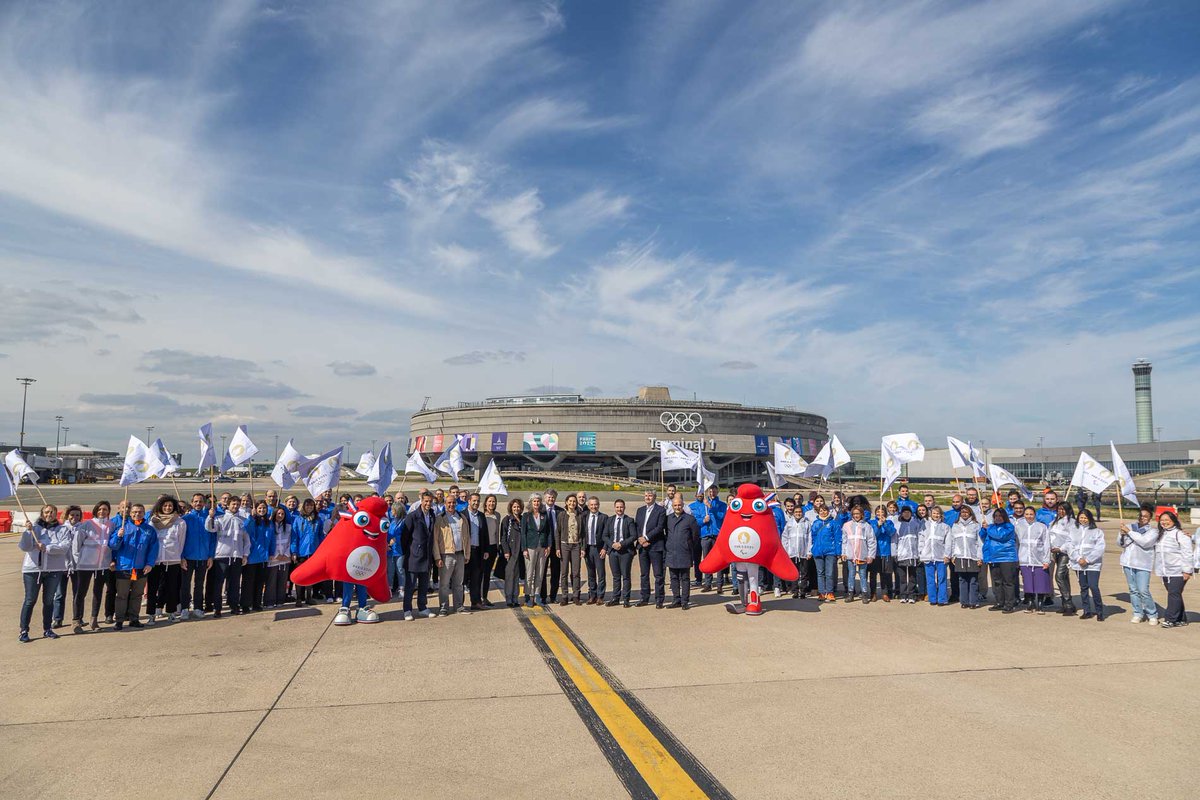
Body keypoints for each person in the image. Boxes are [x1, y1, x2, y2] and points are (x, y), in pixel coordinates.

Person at [18, 506, 73, 643]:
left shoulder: (62, 529)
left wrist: (47, 548)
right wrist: (27, 531)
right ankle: (24, 630)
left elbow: (64, 547)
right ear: (42, 514)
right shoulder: (35, 528)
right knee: (30, 600)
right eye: (47, 512)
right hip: (33, 570)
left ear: (56, 514)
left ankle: (47, 628)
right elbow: (24, 547)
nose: (49, 514)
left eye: (52, 512)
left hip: (53, 570)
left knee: (49, 601)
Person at [109, 503, 159, 630]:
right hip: (124, 567)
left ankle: (134, 618)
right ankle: (119, 620)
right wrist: (118, 537)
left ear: (144, 513)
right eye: (134, 512)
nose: (137, 514)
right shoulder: (122, 527)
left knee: (137, 595)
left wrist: (150, 563)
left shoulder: (149, 530)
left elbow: (153, 549)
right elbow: (113, 546)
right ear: (130, 513)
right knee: (122, 595)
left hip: (141, 567)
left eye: (140, 512)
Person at [71, 501, 116, 632]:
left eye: (105, 509)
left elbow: (112, 544)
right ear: (96, 510)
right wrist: (77, 561)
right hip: (85, 564)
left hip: (102, 565)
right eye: (100, 509)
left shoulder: (111, 525)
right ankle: (76, 620)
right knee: (81, 593)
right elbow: (76, 545)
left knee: (98, 592)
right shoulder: (86, 525)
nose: (102, 512)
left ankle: (94, 619)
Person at [204, 496, 249, 618]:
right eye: (233, 504)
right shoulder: (220, 518)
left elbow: (246, 539)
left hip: (237, 556)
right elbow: (210, 528)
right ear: (228, 505)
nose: (235, 506)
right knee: (218, 583)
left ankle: (234, 606)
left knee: (234, 583)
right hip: (222, 556)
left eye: (237, 504)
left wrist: (245, 554)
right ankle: (217, 608)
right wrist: (211, 517)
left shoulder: (243, 520)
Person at [146, 496, 187, 624]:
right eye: (165, 506)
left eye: (170, 505)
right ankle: (151, 614)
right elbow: (150, 541)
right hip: (156, 560)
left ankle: (171, 612)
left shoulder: (180, 522)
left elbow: (181, 542)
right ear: (160, 507)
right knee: (153, 588)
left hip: (172, 559)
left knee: (172, 587)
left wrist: (179, 557)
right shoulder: (153, 521)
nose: (167, 508)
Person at [1119, 506, 1159, 625]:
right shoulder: (1130, 526)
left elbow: (1145, 542)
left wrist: (1129, 532)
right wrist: (1122, 535)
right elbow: (1121, 544)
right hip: (1128, 562)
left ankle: (1152, 614)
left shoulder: (1153, 531)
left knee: (1143, 590)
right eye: (1141, 516)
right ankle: (1137, 613)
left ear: (1150, 518)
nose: (1143, 518)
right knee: (1133, 590)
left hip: (1143, 564)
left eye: (1146, 516)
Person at [1153, 511, 1192, 628]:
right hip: (1165, 571)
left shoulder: (1179, 534)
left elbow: (1187, 553)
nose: (1164, 522)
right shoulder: (1161, 534)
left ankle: (1170, 618)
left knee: (1173, 594)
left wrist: (1187, 570)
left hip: (1178, 571)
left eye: (1167, 520)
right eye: (1162, 520)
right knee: (1175, 594)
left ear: (1173, 520)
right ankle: (1181, 618)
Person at [402, 491, 437, 619]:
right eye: (426, 501)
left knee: (424, 585)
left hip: (427, 556)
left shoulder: (432, 515)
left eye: (430, 501)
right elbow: (404, 537)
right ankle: (407, 610)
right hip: (413, 557)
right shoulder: (412, 516)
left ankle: (422, 607)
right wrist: (411, 551)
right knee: (410, 586)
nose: (428, 503)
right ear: (421, 501)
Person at [433, 496, 471, 615]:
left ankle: (458, 606)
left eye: (453, 502)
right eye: (449, 503)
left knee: (459, 583)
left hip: (460, 554)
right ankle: (444, 607)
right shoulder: (440, 519)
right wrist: (437, 557)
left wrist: (467, 553)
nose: (451, 505)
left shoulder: (462, 518)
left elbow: (467, 537)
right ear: (445, 503)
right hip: (446, 555)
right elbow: (435, 539)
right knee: (444, 584)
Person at [290, 499, 328, 605]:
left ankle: (308, 597)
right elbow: (294, 537)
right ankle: (298, 598)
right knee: (300, 575)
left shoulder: (318, 520)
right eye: (307, 505)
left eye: (311, 506)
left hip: (313, 551)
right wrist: (294, 551)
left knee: (310, 576)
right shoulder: (298, 520)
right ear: (304, 507)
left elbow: (320, 536)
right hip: (301, 552)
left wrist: (321, 549)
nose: (309, 507)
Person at [180, 493, 212, 619]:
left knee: (199, 584)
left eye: (200, 501)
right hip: (188, 557)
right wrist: (182, 556)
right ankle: (184, 608)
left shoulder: (209, 518)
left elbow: (213, 538)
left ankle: (198, 607)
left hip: (203, 557)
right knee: (185, 584)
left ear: (204, 503)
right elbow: (181, 540)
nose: (198, 504)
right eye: (196, 501)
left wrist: (210, 556)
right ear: (192, 503)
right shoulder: (186, 519)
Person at [1070, 509, 1106, 621]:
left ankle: (1099, 611)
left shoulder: (1097, 531)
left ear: (1090, 518)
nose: (1083, 519)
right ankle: (1087, 611)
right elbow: (1069, 545)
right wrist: (1078, 558)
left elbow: (1100, 548)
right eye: (1081, 517)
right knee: (1083, 587)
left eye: (1085, 517)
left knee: (1093, 586)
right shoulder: (1073, 530)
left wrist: (1088, 560)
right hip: (1079, 564)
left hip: (1093, 565)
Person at [665, 496, 700, 609]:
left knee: (685, 578)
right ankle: (676, 600)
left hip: (684, 552)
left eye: (679, 505)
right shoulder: (668, 518)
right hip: (671, 552)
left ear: (683, 505)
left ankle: (685, 601)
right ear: (672, 506)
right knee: (673, 578)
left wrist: (687, 546)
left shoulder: (690, 519)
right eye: (675, 505)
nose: (677, 507)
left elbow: (695, 536)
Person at [1015, 506, 1051, 615]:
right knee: (1028, 582)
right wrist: (1017, 558)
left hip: (1039, 559)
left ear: (1035, 515)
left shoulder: (1042, 527)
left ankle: (1040, 602)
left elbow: (1046, 543)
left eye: (1031, 514)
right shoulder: (1019, 526)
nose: (1029, 516)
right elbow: (1016, 543)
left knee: (1040, 582)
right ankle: (1030, 602)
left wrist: (1046, 560)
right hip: (1024, 558)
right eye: (1027, 514)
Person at [635, 489, 668, 608]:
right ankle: (644, 597)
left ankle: (659, 599)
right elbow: (637, 526)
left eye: (650, 495)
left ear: (654, 497)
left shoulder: (661, 510)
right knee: (644, 574)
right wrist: (640, 538)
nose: (647, 497)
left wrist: (647, 538)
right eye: (646, 495)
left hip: (655, 546)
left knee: (658, 575)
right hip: (642, 547)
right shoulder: (640, 510)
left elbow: (660, 527)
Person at [982, 509, 1019, 613]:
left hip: (1007, 557)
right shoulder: (992, 527)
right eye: (996, 516)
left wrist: (988, 528)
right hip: (994, 557)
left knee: (1008, 582)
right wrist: (983, 529)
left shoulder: (1009, 526)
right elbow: (983, 537)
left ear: (1004, 517)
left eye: (1000, 515)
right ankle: (1000, 602)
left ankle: (1009, 604)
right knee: (997, 582)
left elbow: (1001, 536)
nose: (998, 517)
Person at [241, 500, 274, 613]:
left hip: (263, 557)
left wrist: (271, 553)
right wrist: (251, 516)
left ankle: (256, 603)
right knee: (248, 583)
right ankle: (246, 604)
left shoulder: (269, 523)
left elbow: (272, 539)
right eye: (259, 508)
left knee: (260, 582)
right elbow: (246, 528)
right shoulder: (252, 521)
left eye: (264, 508)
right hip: (252, 557)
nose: (262, 510)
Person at [840, 506, 877, 603]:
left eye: (858, 513)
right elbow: (844, 541)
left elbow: (871, 541)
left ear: (862, 514)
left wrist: (871, 555)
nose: (856, 515)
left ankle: (864, 594)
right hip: (850, 555)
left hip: (862, 555)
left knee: (862, 575)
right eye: (854, 514)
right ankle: (850, 594)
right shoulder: (846, 525)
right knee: (851, 574)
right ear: (852, 515)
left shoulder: (867, 526)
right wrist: (843, 553)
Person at [522, 493, 552, 608]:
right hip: (530, 547)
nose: (536, 503)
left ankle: (537, 594)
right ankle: (528, 595)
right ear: (531, 502)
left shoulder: (545, 515)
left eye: (538, 501)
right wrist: (524, 548)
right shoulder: (526, 516)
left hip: (542, 547)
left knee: (540, 573)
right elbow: (523, 534)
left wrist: (549, 546)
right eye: (534, 501)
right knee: (529, 573)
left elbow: (548, 532)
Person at [605, 499, 636, 607]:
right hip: (613, 552)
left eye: (621, 507)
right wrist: (612, 544)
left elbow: (633, 536)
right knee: (616, 576)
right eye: (617, 507)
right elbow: (605, 536)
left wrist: (621, 544)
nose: (619, 509)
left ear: (624, 507)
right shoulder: (610, 520)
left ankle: (626, 599)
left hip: (626, 552)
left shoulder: (629, 520)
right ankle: (615, 598)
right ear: (614, 508)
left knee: (626, 576)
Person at [949, 507, 983, 608]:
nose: (964, 514)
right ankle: (964, 601)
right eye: (962, 512)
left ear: (970, 513)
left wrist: (979, 557)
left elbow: (980, 542)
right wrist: (953, 555)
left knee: (973, 580)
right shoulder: (955, 525)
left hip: (973, 556)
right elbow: (953, 541)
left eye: (966, 512)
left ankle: (973, 601)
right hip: (960, 556)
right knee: (962, 579)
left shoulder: (976, 525)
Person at [1048, 502, 1078, 615]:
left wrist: (1061, 548)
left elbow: (1072, 539)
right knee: (1064, 577)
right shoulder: (1054, 521)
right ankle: (1066, 604)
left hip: (1065, 552)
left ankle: (1068, 604)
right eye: (1059, 509)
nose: (1061, 511)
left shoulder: (1072, 523)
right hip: (1055, 552)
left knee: (1059, 576)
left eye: (1063, 509)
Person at [696, 486, 727, 593]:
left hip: (717, 534)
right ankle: (708, 583)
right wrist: (703, 520)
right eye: (710, 491)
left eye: (714, 491)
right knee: (707, 560)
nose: (712, 493)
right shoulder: (702, 505)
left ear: (717, 492)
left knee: (718, 560)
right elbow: (697, 520)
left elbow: (721, 517)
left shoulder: (722, 505)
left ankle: (719, 585)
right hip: (706, 534)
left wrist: (711, 507)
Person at [555, 494, 585, 606]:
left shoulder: (580, 515)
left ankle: (576, 595)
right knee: (564, 572)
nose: (572, 503)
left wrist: (583, 548)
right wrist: (557, 547)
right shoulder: (562, 515)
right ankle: (564, 596)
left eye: (574, 501)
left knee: (576, 572)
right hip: (564, 545)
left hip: (576, 546)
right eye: (570, 501)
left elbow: (583, 534)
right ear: (566, 502)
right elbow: (557, 532)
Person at [462, 493, 490, 610]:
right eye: (474, 501)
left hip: (478, 551)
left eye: (478, 501)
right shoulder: (462, 514)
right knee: (462, 579)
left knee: (476, 578)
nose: (476, 503)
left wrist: (486, 550)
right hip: (465, 551)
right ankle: (460, 603)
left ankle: (476, 602)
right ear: (469, 501)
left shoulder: (481, 516)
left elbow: (485, 533)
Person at [920, 506, 952, 606]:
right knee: (930, 579)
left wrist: (947, 555)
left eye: (938, 514)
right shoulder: (925, 525)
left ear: (941, 515)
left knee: (942, 578)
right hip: (928, 556)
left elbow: (948, 542)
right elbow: (921, 540)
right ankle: (932, 599)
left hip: (941, 557)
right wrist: (921, 553)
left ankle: (942, 599)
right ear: (930, 514)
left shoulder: (945, 526)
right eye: (934, 513)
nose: (936, 515)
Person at [810, 505, 841, 601]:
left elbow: (838, 538)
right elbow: (812, 538)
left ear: (828, 511)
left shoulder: (834, 523)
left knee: (830, 573)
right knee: (820, 573)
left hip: (830, 551)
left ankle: (830, 592)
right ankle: (822, 593)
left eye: (825, 510)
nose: (823, 512)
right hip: (818, 552)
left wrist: (838, 552)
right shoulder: (815, 523)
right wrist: (812, 549)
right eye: (821, 511)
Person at [780, 503, 811, 599]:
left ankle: (803, 591)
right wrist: (786, 550)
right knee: (794, 573)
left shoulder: (806, 523)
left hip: (803, 552)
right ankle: (795, 591)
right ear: (793, 513)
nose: (798, 513)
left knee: (804, 573)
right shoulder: (789, 523)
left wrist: (809, 551)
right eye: (796, 512)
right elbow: (784, 537)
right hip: (792, 552)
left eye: (800, 512)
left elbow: (809, 538)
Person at [474, 494, 500, 608]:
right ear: (485, 503)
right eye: (489, 501)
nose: (491, 504)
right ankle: (478, 598)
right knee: (481, 574)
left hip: (493, 547)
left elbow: (497, 532)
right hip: (484, 547)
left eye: (493, 501)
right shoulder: (481, 515)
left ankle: (484, 597)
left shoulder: (497, 515)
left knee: (488, 574)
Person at [582, 496, 608, 605]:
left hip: (599, 549)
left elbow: (607, 534)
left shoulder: (604, 517)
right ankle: (592, 595)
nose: (594, 506)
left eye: (596, 504)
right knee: (590, 574)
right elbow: (582, 535)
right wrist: (583, 548)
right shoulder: (584, 516)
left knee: (601, 573)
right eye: (591, 505)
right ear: (588, 506)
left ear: (599, 505)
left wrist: (605, 548)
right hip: (588, 548)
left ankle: (600, 596)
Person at [499, 498, 525, 607]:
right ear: (511, 508)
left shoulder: (523, 519)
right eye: (514, 507)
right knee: (509, 576)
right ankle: (509, 598)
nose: (516, 509)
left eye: (518, 507)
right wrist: (506, 551)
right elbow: (503, 537)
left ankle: (515, 598)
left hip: (520, 552)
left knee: (516, 576)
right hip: (510, 552)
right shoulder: (507, 520)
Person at [264, 506, 291, 609]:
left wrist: (286, 554)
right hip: (273, 557)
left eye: (282, 514)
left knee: (282, 580)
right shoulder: (270, 526)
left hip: (284, 557)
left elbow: (289, 541)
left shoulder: (288, 527)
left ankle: (280, 600)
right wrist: (276, 555)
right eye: (278, 514)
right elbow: (269, 541)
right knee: (271, 580)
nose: (280, 516)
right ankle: (269, 601)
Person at [894, 507, 922, 604]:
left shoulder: (915, 524)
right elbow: (895, 540)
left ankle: (912, 595)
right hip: (901, 554)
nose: (906, 514)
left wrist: (919, 553)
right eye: (904, 512)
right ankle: (903, 594)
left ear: (911, 513)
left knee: (912, 576)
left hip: (913, 554)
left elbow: (919, 538)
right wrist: (895, 552)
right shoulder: (898, 525)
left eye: (908, 512)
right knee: (902, 576)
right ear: (901, 514)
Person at [869, 505, 895, 602]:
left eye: (882, 512)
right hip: (875, 552)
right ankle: (873, 593)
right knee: (873, 574)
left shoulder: (889, 522)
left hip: (886, 551)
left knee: (885, 574)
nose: (880, 514)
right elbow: (873, 535)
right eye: (878, 512)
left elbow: (891, 533)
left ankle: (885, 593)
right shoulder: (872, 523)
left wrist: (884, 524)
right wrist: (878, 526)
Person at [542, 489, 563, 603]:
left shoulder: (560, 511)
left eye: (553, 497)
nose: (551, 499)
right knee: (543, 572)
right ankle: (543, 596)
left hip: (556, 546)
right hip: (544, 546)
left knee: (556, 571)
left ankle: (553, 596)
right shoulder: (540, 510)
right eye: (549, 497)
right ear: (545, 498)